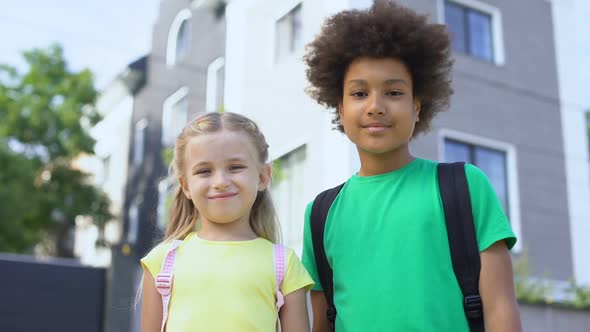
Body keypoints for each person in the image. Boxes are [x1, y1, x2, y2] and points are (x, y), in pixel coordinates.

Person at [300, 1, 522, 331]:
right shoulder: (319, 214)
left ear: (417, 107)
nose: (375, 106)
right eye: (359, 93)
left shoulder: (463, 186)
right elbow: (322, 323)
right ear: (340, 109)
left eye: (393, 92)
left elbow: (501, 310)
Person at [140, 112, 314, 332]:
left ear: (262, 177)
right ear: (185, 186)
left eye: (235, 167)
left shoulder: (284, 264)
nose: (220, 182)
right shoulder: (162, 262)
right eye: (204, 171)